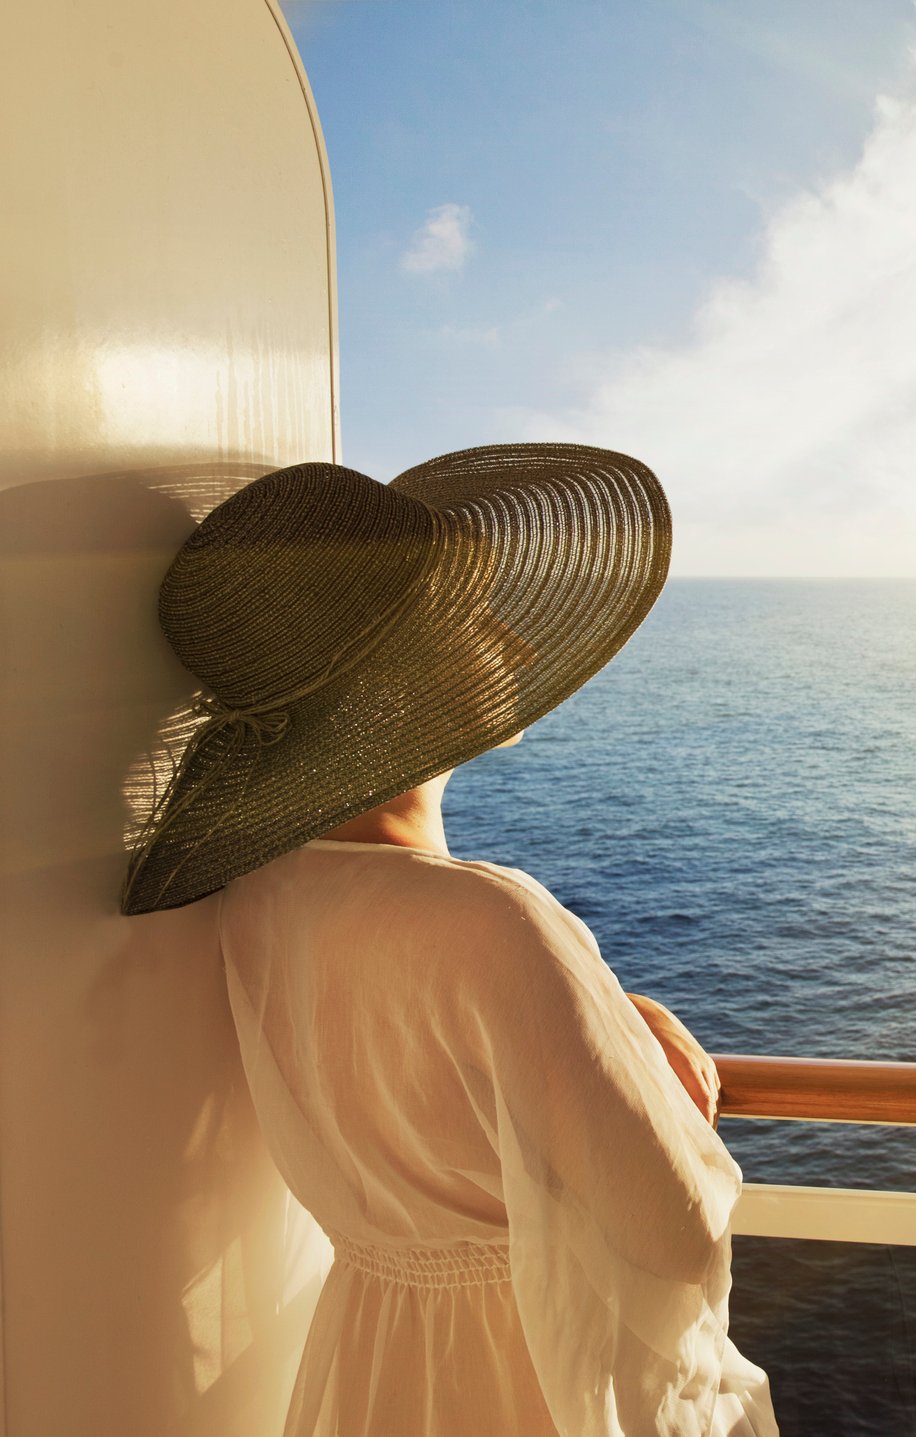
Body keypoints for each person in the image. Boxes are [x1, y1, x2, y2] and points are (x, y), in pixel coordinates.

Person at [121, 445, 777, 1437]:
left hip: (376, 1359)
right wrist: (647, 1067)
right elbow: (674, 1237)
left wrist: (613, 1013)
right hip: (522, 1376)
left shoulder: (263, 893)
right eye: (474, 620)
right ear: (394, 672)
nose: (512, 645)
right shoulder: (490, 920)